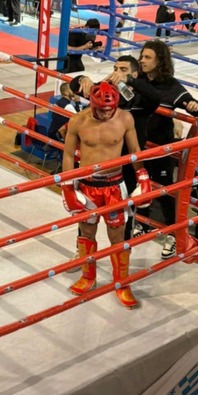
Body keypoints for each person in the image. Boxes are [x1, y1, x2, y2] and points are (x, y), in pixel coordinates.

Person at [61, 82, 151, 308]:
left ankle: (122, 283)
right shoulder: (78, 121)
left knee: (117, 235)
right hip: (87, 185)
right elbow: (69, 155)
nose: (106, 114)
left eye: (109, 110)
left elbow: (135, 151)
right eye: (101, 110)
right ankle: (88, 277)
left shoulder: (125, 119)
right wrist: (68, 187)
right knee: (86, 231)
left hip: (114, 185)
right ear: (92, 104)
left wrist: (142, 177)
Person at [134, 40, 198, 259]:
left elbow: (194, 106)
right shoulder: (137, 80)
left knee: (164, 190)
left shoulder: (171, 86)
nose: (142, 61)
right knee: (140, 185)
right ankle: (142, 223)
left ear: (160, 61)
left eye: (147, 57)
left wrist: (193, 106)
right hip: (139, 145)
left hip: (160, 148)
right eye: (142, 56)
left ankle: (174, 234)